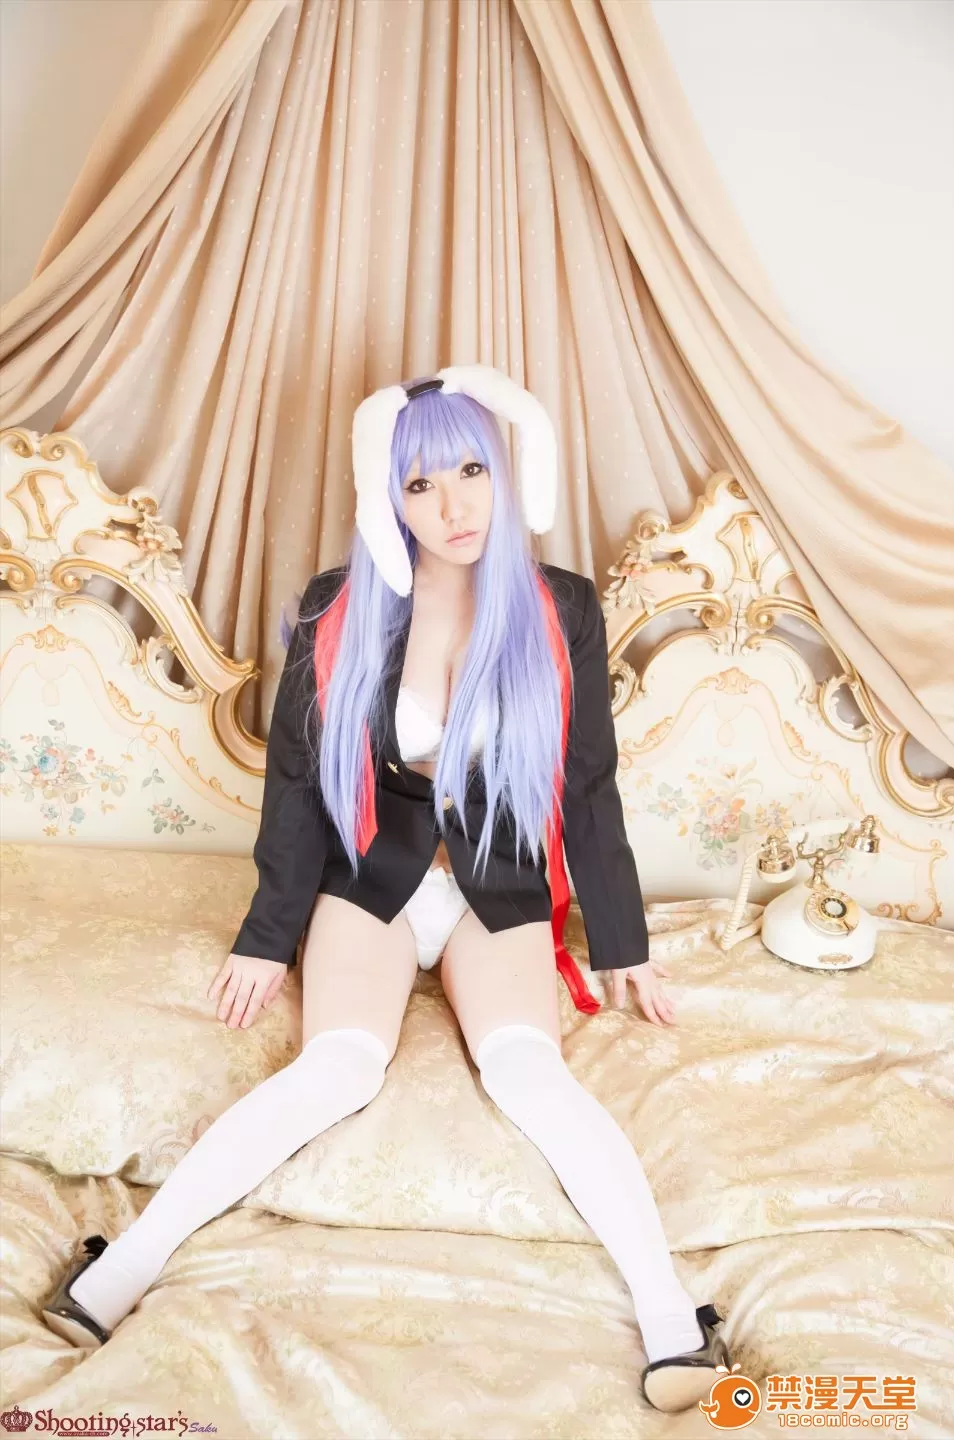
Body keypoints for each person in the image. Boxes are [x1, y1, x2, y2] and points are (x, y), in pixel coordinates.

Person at [41, 365, 734, 1413]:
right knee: (339, 1069)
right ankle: (118, 1272)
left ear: (505, 473)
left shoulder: (563, 608)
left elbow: (587, 786)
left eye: (471, 471)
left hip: (500, 883)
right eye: (420, 484)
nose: (453, 505)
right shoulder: (339, 606)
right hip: (372, 878)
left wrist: (625, 945)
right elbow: (294, 786)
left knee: (529, 1074)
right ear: (387, 497)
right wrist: (266, 936)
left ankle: (673, 1323)